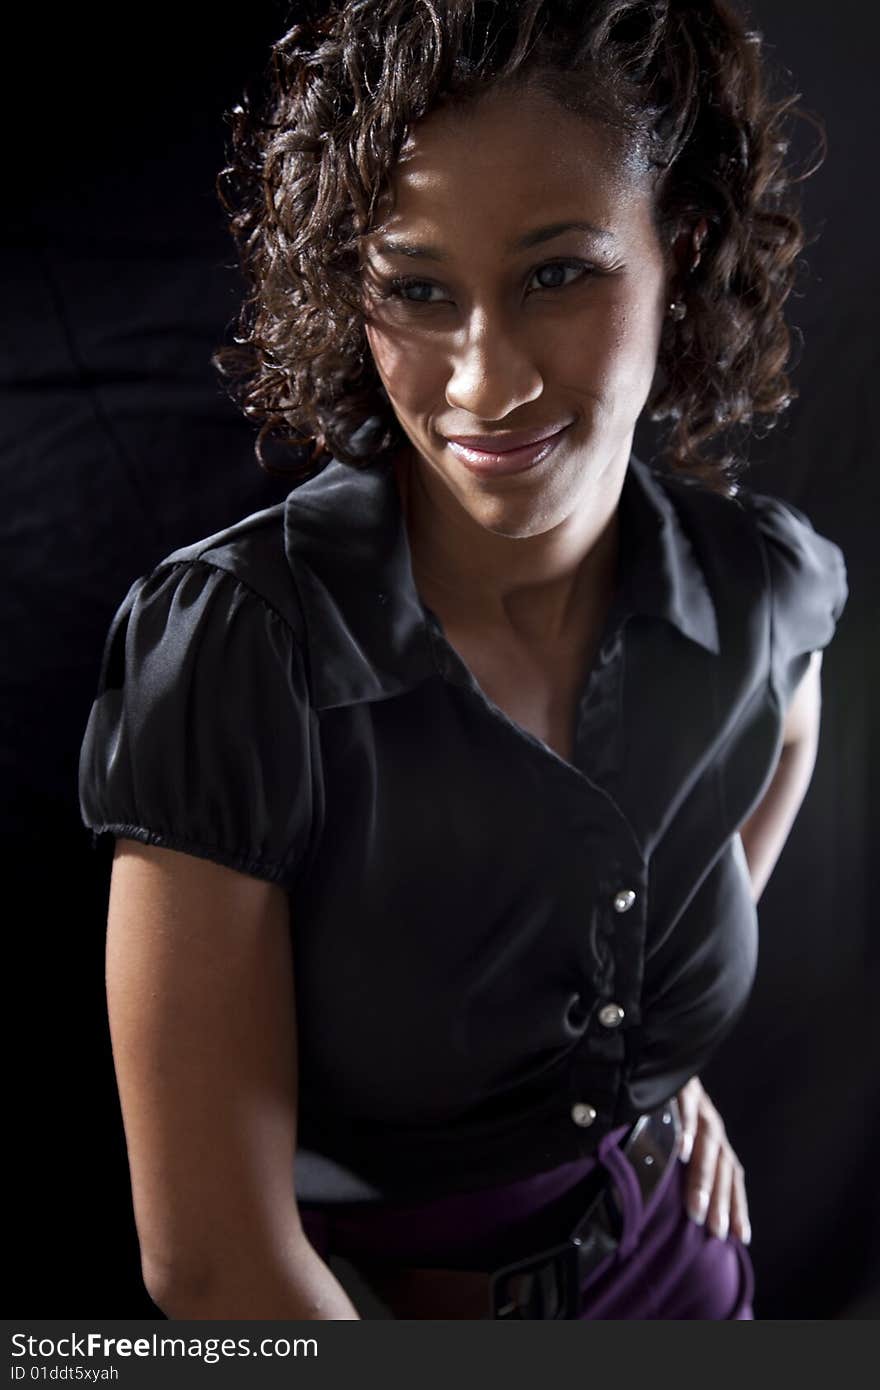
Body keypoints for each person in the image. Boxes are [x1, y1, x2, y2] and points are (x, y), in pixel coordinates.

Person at [78, 0, 848, 1319]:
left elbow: (788, 729)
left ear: (685, 242)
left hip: (683, 1265)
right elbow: (208, 1261)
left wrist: (650, 1060)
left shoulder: (758, 584)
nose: (485, 385)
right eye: (420, 292)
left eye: (557, 273)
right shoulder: (236, 648)